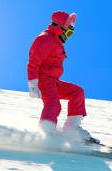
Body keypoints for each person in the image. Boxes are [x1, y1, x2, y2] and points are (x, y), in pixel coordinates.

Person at [27, 10, 99, 144]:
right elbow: (33, 62)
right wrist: (33, 84)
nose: (69, 36)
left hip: (53, 81)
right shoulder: (45, 39)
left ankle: (72, 129)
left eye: (71, 33)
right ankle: (47, 132)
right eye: (69, 32)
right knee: (53, 104)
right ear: (59, 27)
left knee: (77, 92)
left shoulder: (55, 41)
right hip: (43, 80)